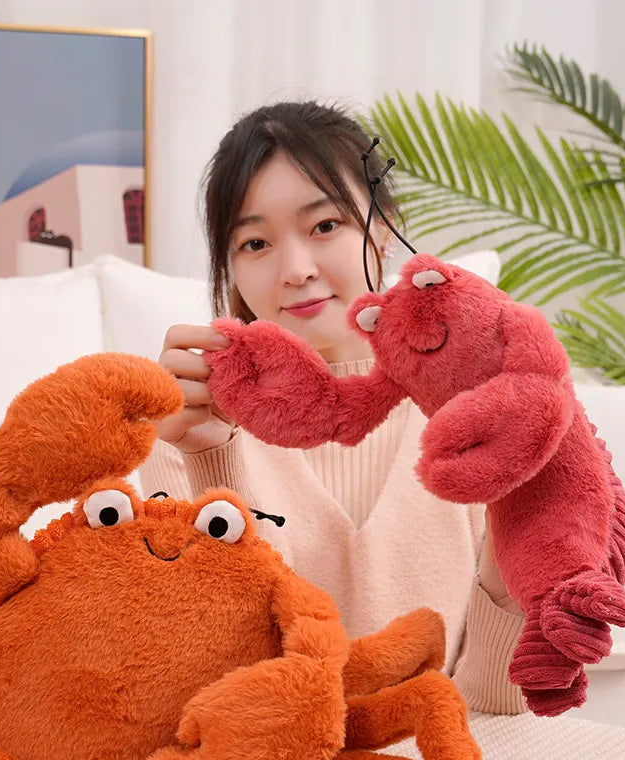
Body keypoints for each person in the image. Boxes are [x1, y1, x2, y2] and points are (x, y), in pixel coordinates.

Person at [138, 99, 527, 714]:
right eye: (255, 242)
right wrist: (212, 460)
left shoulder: (474, 408)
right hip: (265, 759)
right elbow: (216, 690)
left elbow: (499, 705)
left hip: (445, 754)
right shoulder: (184, 428)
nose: (296, 270)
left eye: (324, 226)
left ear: (383, 226)